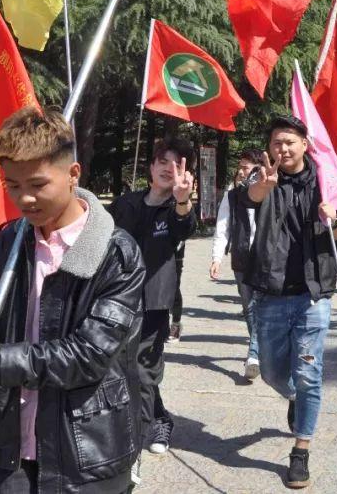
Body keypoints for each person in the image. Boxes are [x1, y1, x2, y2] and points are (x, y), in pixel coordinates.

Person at [0, 106, 145, 493]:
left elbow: (90, 354)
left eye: (37, 184)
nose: (25, 199)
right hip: (16, 444)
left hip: (88, 448)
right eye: (13, 186)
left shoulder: (116, 253)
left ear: (73, 174)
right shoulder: (12, 240)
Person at [237, 115, 337, 489]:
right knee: (270, 371)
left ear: (305, 143)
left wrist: (333, 220)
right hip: (270, 291)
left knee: (308, 373)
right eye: (276, 143)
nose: (282, 149)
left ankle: (300, 451)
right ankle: (294, 397)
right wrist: (263, 187)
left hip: (314, 294)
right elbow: (248, 199)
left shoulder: (326, 179)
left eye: (289, 142)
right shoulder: (261, 177)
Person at [108, 137, 197, 456]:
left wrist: (183, 201)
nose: (167, 168)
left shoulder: (176, 207)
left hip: (155, 301)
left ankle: (140, 432)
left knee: (144, 368)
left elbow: (184, 228)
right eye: (162, 161)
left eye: (175, 164)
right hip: (115, 298)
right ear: (150, 167)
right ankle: (159, 416)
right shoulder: (125, 203)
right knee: (118, 366)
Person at [210, 149, 264, 381]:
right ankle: (259, 351)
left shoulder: (268, 189)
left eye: (247, 166)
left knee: (259, 307)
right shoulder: (232, 194)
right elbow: (223, 226)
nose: (241, 171)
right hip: (241, 258)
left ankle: (254, 354)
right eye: (240, 166)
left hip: (266, 258)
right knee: (248, 307)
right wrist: (217, 257)